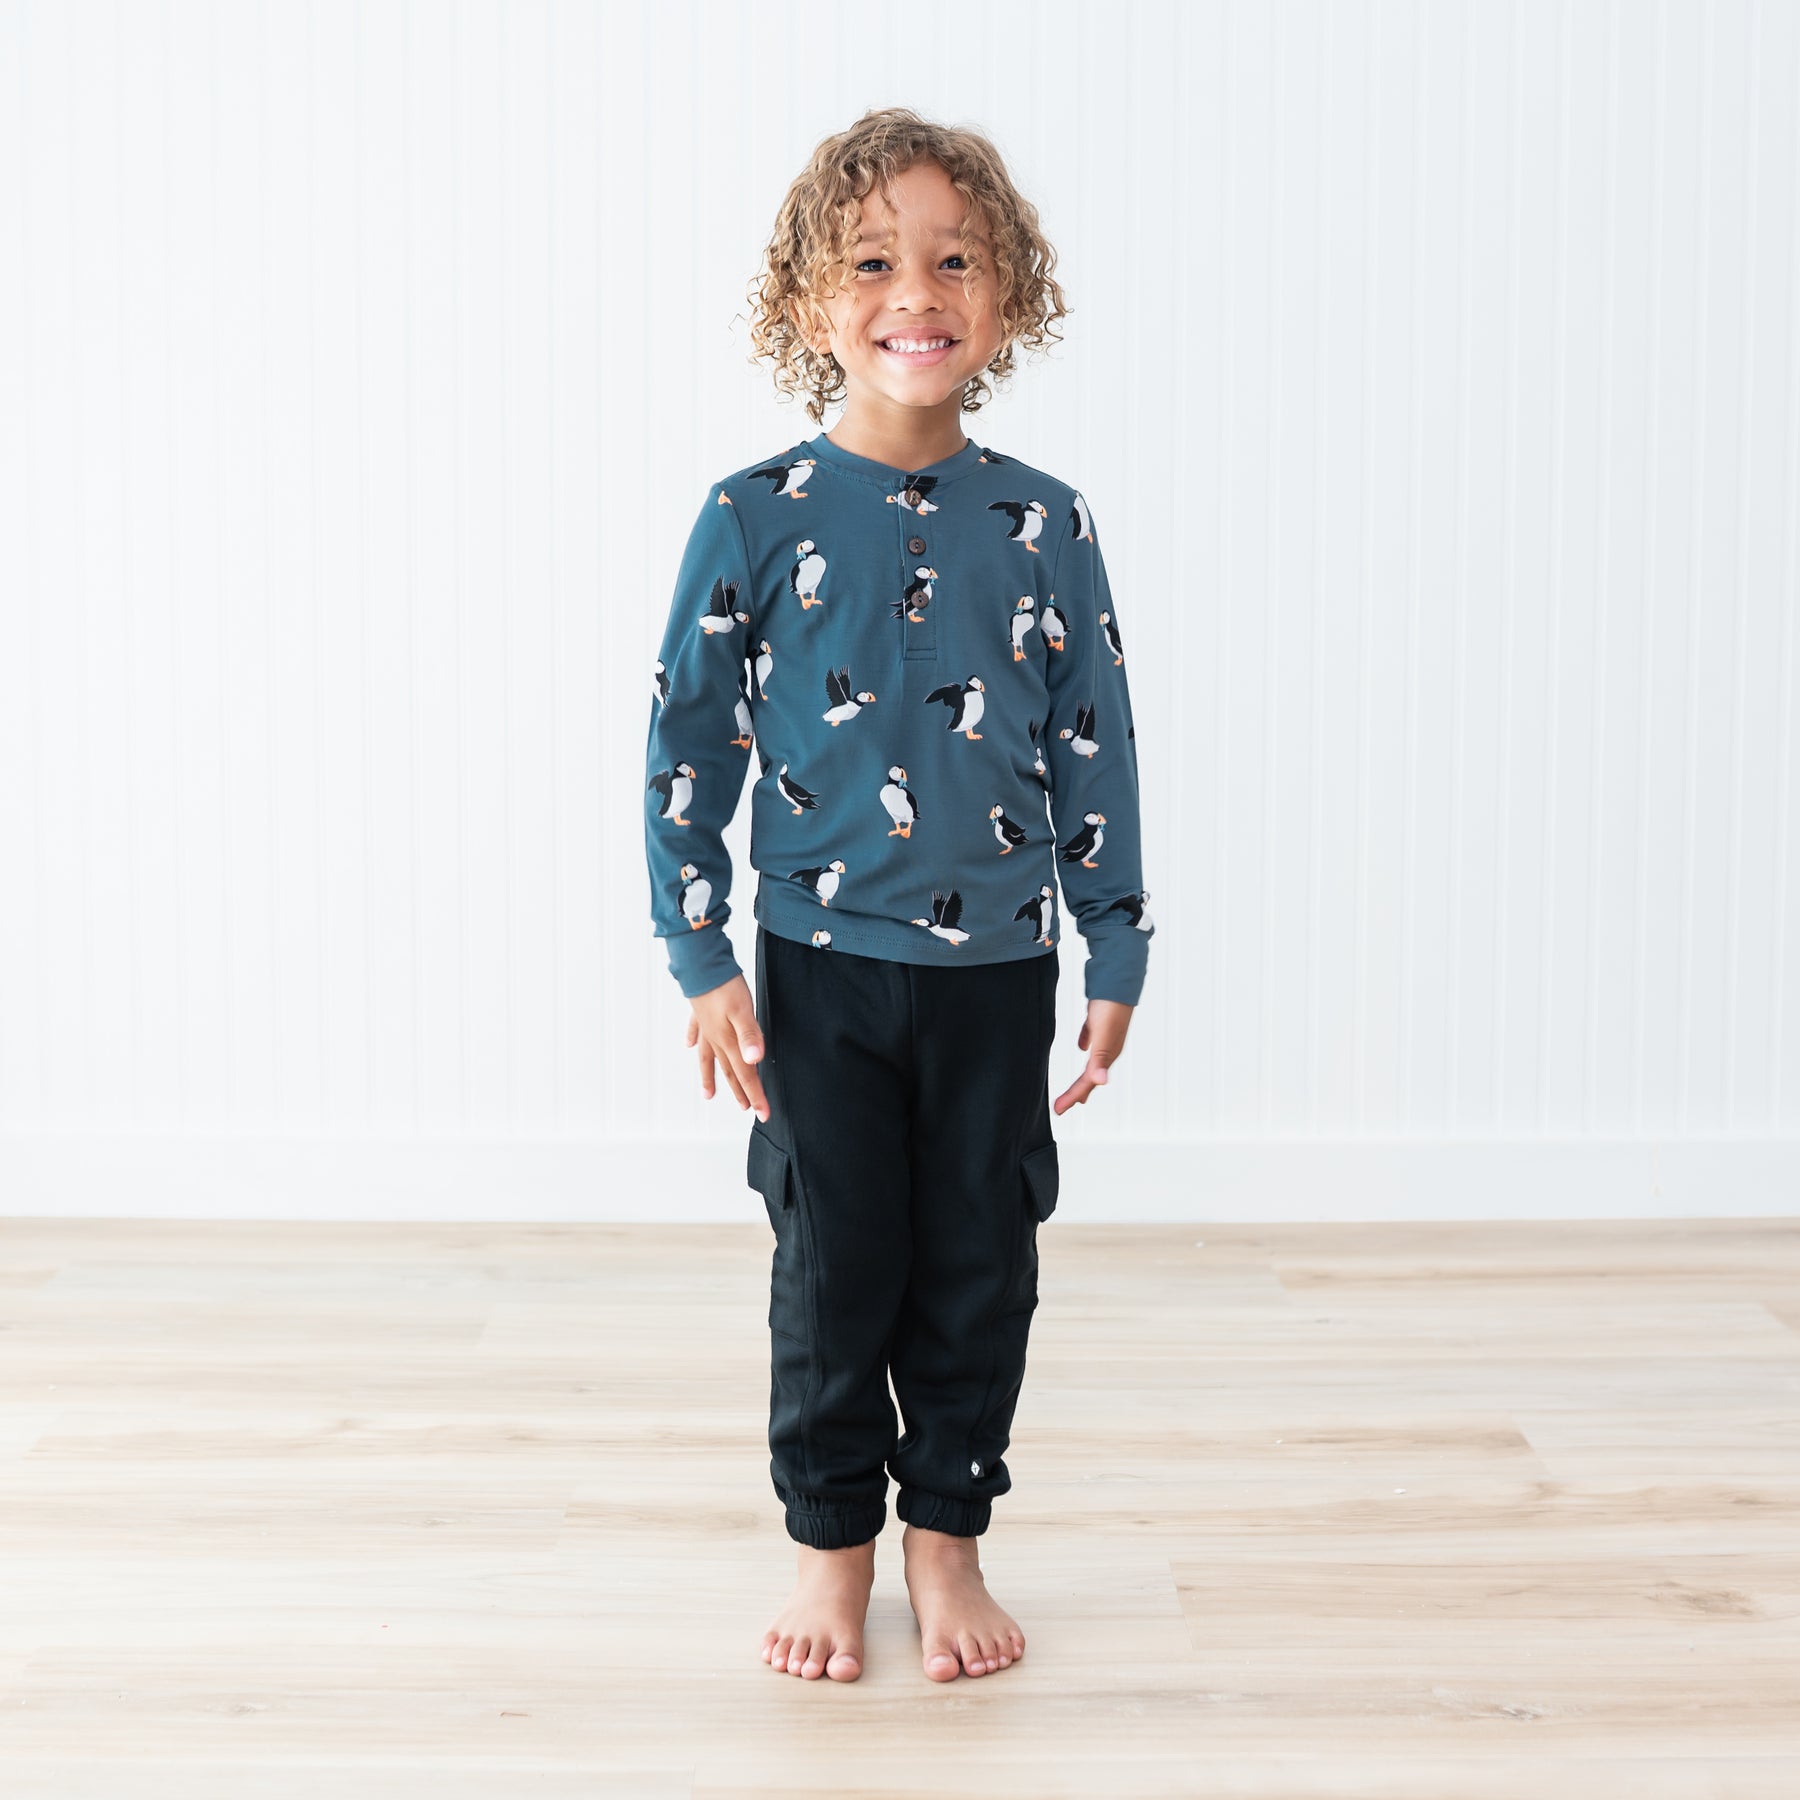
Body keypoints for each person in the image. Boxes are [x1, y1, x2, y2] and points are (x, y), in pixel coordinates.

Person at [642, 107, 1155, 1684]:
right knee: (834, 1258)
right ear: (813, 301)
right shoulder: (755, 516)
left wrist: (1115, 939)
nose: (914, 292)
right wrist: (699, 950)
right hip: (817, 967)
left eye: (954, 261)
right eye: (872, 263)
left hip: (997, 967)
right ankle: (831, 1543)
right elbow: (688, 739)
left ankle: (947, 1536)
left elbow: (1094, 737)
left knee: (981, 1260)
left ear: (1008, 297)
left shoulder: (1044, 522)